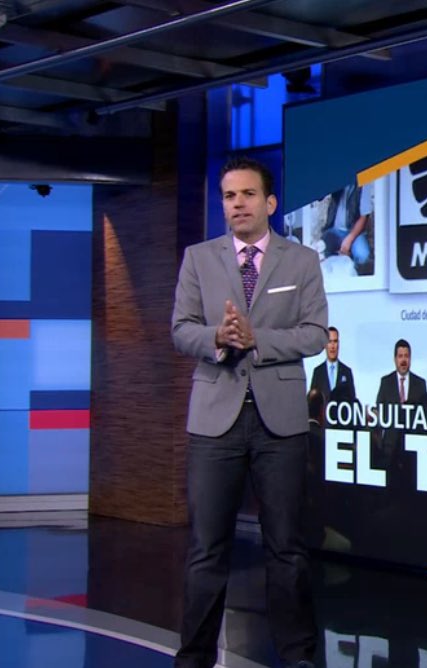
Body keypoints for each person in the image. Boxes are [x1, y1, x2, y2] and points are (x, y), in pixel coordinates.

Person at [171, 156, 327, 668]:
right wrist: (218, 337)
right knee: (206, 549)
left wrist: (257, 338)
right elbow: (181, 329)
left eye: (247, 194)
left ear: (270, 202)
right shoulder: (199, 259)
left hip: (279, 421)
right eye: (228, 196)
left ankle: (298, 658)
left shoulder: (301, 261)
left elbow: (313, 335)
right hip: (214, 419)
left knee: (287, 548)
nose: (237, 204)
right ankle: (193, 659)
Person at [321, 182, 373, 270]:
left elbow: (364, 217)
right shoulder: (337, 179)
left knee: (363, 257)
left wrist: (349, 239)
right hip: (335, 231)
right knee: (322, 250)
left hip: (355, 232)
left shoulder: (364, 182)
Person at [310, 326, 357, 405]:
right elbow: (313, 401)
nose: (332, 346)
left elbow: (352, 400)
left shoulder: (347, 371)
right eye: (329, 341)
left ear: (338, 344)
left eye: (335, 341)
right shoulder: (318, 372)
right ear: (325, 344)